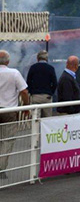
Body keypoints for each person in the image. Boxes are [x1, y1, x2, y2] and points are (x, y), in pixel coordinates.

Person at [0, 50, 30, 179]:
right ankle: (1, 169)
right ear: (8, 61)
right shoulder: (14, 73)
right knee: (7, 141)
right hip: (9, 110)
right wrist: (26, 107)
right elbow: (24, 91)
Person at [26, 50, 57, 118]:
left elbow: (28, 81)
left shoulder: (33, 67)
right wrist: (51, 93)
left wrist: (31, 92)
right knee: (47, 118)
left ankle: (35, 129)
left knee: (35, 118)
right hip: (47, 96)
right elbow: (55, 83)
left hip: (35, 96)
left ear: (37, 58)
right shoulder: (51, 68)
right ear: (46, 58)